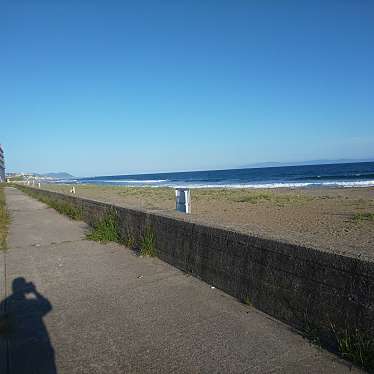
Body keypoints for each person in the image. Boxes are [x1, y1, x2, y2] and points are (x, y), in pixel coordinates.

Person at [0, 277, 57, 374]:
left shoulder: (5, 303)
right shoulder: (30, 303)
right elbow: (47, 306)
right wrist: (34, 291)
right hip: (37, 346)